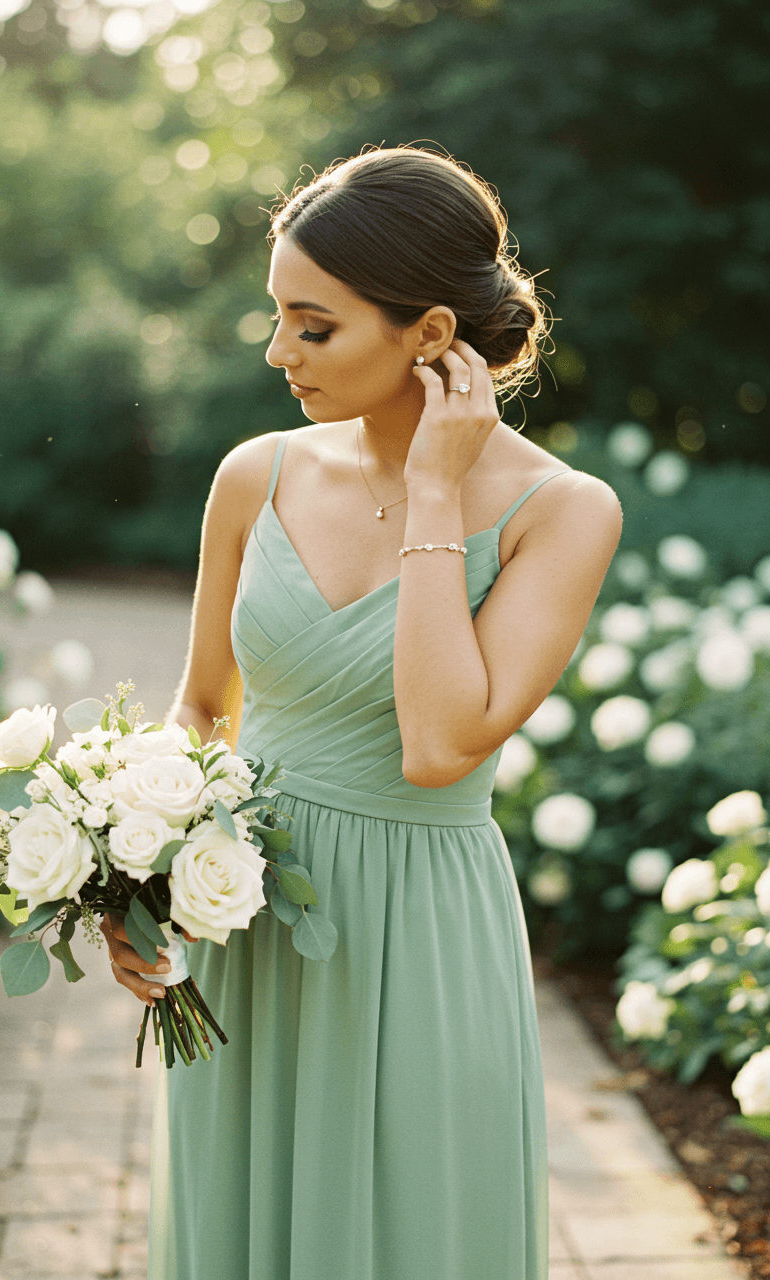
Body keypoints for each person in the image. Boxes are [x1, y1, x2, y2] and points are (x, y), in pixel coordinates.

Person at [102, 146, 623, 1280]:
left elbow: (439, 743)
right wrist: (137, 875)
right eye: (276, 319)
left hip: (418, 938)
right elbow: (202, 705)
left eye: (312, 324)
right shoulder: (255, 474)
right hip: (251, 933)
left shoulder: (564, 512)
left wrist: (435, 492)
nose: (279, 351)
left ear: (429, 333)